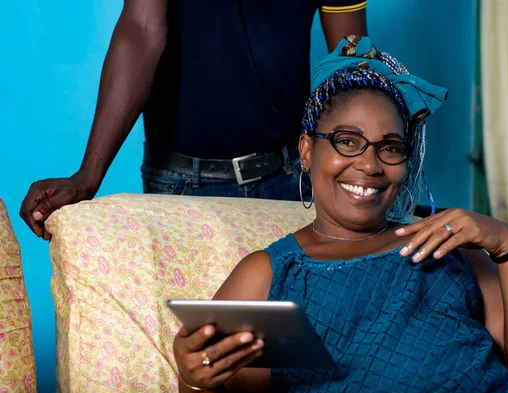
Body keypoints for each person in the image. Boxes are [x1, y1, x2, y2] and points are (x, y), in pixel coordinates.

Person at [172, 36, 508, 393]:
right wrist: (192, 381)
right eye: (348, 141)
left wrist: (505, 244)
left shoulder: (451, 248)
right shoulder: (271, 274)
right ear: (307, 150)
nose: (370, 164)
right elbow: (218, 384)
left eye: (391, 148)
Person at [19, 0, 368, 240]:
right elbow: (141, 28)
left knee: (292, 336)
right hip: (181, 185)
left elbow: (351, 54)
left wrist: (369, 158)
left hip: (291, 179)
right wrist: (87, 177)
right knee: (190, 340)